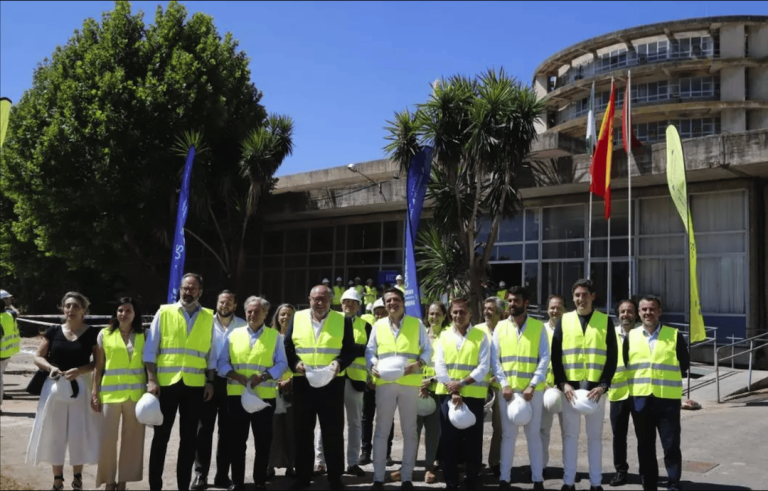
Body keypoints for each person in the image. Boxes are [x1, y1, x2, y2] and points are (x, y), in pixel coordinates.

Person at [144, 273, 217, 491]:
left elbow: (211, 354)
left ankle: (183, 486)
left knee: (188, 440)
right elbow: (150, 349)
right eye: (185, 288)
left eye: (192, 289)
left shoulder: (208, 317)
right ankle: (155, 486)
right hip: (166, 385)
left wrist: (210, 382)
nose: (187, 292)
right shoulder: (164, 312)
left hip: (195, 387)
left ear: (200, 292)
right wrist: (151, 379)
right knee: (161, 438)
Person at [26, 292, 101, 491]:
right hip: (54, 388)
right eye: (67, 306)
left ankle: (77, 478)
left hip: (80, 388)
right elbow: (38, 357)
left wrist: (81, 370)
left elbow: (99, 362)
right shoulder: (53, 331)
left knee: (79, 433)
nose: (71, 310)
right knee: (54, 433)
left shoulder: (93, 333)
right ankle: (57, 480)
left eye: (76, 306)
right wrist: (49, 367)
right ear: (63, 309)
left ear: (84, 310)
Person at [284, 285, 356, 491]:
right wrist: (295, 363)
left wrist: (339, 363)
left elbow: (349, 350)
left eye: (324, 298)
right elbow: (287, 346)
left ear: (331, 300)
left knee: (332, 432)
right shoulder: (297, 318)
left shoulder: (343, 320)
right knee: (302, 432)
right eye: (316, 298)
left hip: (332, 384)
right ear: (309, 299)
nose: (320, 302)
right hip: (303, 382)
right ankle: (303, 477)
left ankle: (335, 478)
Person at [551, 279, 618, 491]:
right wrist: (563, 384)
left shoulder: (605, 321)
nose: (581, 299)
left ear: (593, 296)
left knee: (595, 438)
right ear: (573, 298)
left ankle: (596, 483)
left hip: (595, 391)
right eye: (577, 295)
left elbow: (612, 356)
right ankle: (568, 482)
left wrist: (604, 385)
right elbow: (556, 356)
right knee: (570, 437)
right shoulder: (564, 321)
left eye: (585, 294)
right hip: (570, 391)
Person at [218, 296, 288, 491]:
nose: (252, 315)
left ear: (265, 313)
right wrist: (233, 374)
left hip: (263, 398)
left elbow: (282, 364)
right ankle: (238, 482)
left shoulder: (274, 337)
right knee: (237, 443)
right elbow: (222, 362)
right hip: (236, 396)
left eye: (257, 311)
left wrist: (264, 376)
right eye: (249, 311)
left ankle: (259, 481)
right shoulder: (233, 334)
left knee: (263, 442)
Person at [366, 288, 432, 490]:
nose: (392, 304)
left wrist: (418, 364)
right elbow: (370, 350)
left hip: (409, 383)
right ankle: (378, 478)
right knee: (382, 430)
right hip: (385, 383)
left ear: (403, 302)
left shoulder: (416, 324)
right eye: (388, 301)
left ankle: (406, 478)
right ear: (384, 304)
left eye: (395, 300)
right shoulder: (378, 325)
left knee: (410, 432)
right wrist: (373, 365)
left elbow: (428, 349)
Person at [626, 296, 688, 491]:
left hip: (667, 401)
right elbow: (625, 364)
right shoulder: (631, 336)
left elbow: (684, 364)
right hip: (641, 399)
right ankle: (649, 483)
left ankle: (673, 482)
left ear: (659, 312)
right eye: (644, 309)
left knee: (670, 445)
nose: (648, 313)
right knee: (645, 445)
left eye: (652, 309)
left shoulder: (674, 335)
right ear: (639, 313)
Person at [493, 287, 550, 490]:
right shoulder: (500, 327)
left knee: (533, 435)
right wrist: (504, 384)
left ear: (526, 303)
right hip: (507, 392)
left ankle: (537, 480)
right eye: (509, 301)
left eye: (516, 301)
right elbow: (495, 359)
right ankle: (504, 479)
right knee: (508, 436)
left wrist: (533, 385)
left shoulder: (538, 327)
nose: (511, 304)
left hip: (532, 392)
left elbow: (544, 358)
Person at [191, 290, 247, 490]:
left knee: (227, 432)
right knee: (203, 431)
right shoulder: (204, 322)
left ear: (235, 305)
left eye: (229, 302)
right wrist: (208, 381)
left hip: (232, 383)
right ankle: (200, 475)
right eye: (222, 302)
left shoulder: (242, 325)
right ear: (217, 303)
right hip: (208, 381)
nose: (225, 305)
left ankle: (222, 476)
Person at [314, 288, 372, 477]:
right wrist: (355, 349)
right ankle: (320, 462)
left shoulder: (366, 325)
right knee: (325, 421)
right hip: (332, 378)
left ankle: (353, 462)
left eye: (353, 302)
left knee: (354, 423)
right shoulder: (333, 321)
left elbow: (370, 350)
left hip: (355, 380)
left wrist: (351, 349)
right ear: (341, 304)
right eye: (346, 302)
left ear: (358, 305)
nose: (349, 305)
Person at [434, 298, 490, 491]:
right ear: (450, 314)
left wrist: (461, 384)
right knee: (449, 441)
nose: (458, 315)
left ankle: (472, 480)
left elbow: (484, 367)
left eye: (462, 312)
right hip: (447, 395)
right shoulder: (443, 336)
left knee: (473, 441)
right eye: (455, 312)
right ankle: (451, 481)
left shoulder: (481, 336)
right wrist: (454, 389)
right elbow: (439, 365)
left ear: (470, 314)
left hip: (473, 395)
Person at [92, 297, 146, 490]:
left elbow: (148, 366)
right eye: (120, 310)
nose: (123, 314)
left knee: (132, 441)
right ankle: (109, 481)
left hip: (136, 395)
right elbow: (98, 367)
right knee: (107, 440)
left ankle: (123, 481)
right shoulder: (104, 334)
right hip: (110, 395)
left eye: (128, 310)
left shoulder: (143, 335)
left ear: (135, 314)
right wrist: (94, 392)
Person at [416, 302, 450, 484]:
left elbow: (449, 364)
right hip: (416, 389)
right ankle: (408, 468)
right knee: (413, 431)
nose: (434, 318)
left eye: (438, 314)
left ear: (444, 316)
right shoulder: (419, 335)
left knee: (433, 433)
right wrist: (418, 383)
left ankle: (429, 468)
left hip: (436, 390)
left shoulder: (447, 337)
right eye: (431, 314)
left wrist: (430, 381)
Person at [359, 298, 395, 467]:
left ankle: (386, 453)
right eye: (377, 312)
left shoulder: (394, 330)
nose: (380, 315)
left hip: (387, 383)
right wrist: (369, 379)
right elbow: (367, 355)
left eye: (383, 311)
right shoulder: (371, 329)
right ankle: (365, 451)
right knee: (366, 418)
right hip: (371, 383)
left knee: (387, 418)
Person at [474, 297, 506, 477]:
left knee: (500, 428)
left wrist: (499, 376)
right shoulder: (477, 330)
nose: (486, 312)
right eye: (485, 308)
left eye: (491, 309)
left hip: (501, 385)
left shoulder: (507, 330)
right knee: (475, 427)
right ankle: (474, 462)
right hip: (479, 385)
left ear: (500, 313)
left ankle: (495, 462)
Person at [609, 299, 639, 487]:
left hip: (640, 393)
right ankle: (621, 472)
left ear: (635, 314)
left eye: (629, 311)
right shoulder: (609, 335)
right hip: (618, 393)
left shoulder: (643, 334)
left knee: (644, 436)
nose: (625, 315)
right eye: (622, 312)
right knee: (618, 436)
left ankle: (646, 471)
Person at [268, 304, 297, 479]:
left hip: (294, 388)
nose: (285, 317)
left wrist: (291, 381)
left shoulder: (299, 337)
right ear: (277, 317)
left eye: (289, 314)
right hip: (272, 388)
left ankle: (292, 466)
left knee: (292, 429)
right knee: (272, 429)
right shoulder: (270, 336)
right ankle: (270, 465)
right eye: (282, 314)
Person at [540, 294, 565, 477]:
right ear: (547, 309)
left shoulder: (571, 330)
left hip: (566, 388)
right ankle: (541, 467)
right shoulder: (540, 330)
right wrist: (543, 384)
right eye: (552, 307)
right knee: (543, 430)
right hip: (545, 387)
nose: (555, 311)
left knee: (568, 432)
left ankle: (569, 469)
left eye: (558, 307)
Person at [1, 289, 21, 411]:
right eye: (8, 299)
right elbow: (15, 312)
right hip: (5, 353)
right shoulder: (10, 314)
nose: (10, 300)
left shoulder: (7, 314)